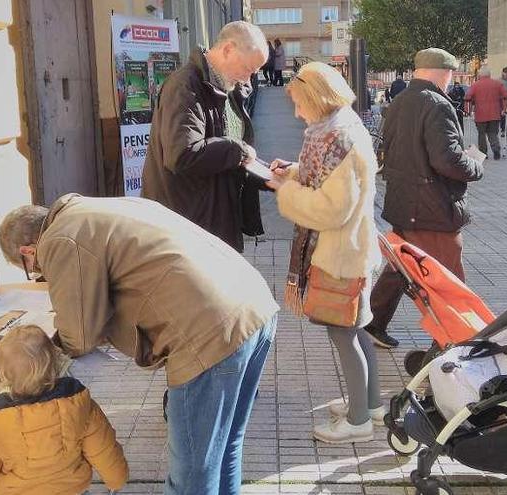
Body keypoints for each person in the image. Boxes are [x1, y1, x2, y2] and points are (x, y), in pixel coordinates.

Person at [0, 194, 280, 495]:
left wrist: (48, 346)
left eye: (34, 269)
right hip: (251, 304)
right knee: (224, 449)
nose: (41, 274)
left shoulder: (59, 238)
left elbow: (78, 335)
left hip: (210, 333)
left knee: (192, 475)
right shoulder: (94, 210)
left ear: (29, 250)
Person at [267, 62, 383, 443]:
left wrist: (286, 190)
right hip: (348, 248)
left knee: (344, 332)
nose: (298, 113)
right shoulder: (334, 130)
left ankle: (359, 421)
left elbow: (331, 209)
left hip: (340, 252)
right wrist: (295, 172)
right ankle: (369, 404)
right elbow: (325, 178)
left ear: (317, 99)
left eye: (300, 105)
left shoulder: (339, 138)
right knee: (356, 325)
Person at [362, 48, 485, 349]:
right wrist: (475, 166)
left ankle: (373, 322)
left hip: (404, 202)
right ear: (444, 73)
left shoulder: (399, 101)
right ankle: (451, 342)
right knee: (448, 280)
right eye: (451, 74)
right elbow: (447, 160)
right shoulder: (437, 104)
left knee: (401, 266)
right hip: (432, 207)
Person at [142, 21, 269, 252]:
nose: (248, 78)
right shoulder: (185, 86)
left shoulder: (231, 89)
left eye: (254, 72)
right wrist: (239, 150)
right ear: (228, 49)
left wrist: (267, 175)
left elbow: (227, 154)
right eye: (248, 68)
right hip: (187, 229)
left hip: (216, 224)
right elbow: (182, 154)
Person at [0, 325, 129, 495]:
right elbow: (103, 448)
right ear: (54, 363)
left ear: (2, 375)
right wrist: (116, 478)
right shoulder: (78, 405)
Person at [465, 67, 507, 160]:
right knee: (493, 133)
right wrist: (504, 109)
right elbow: (506, 96)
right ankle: (496, 148)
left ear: (480, 75)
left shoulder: (475, 85)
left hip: (480, 114)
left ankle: (483, 153)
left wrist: (467, 110)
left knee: (481, 134)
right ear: (489, 75)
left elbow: (468, 97)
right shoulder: (497, 84)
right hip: (494, 114)